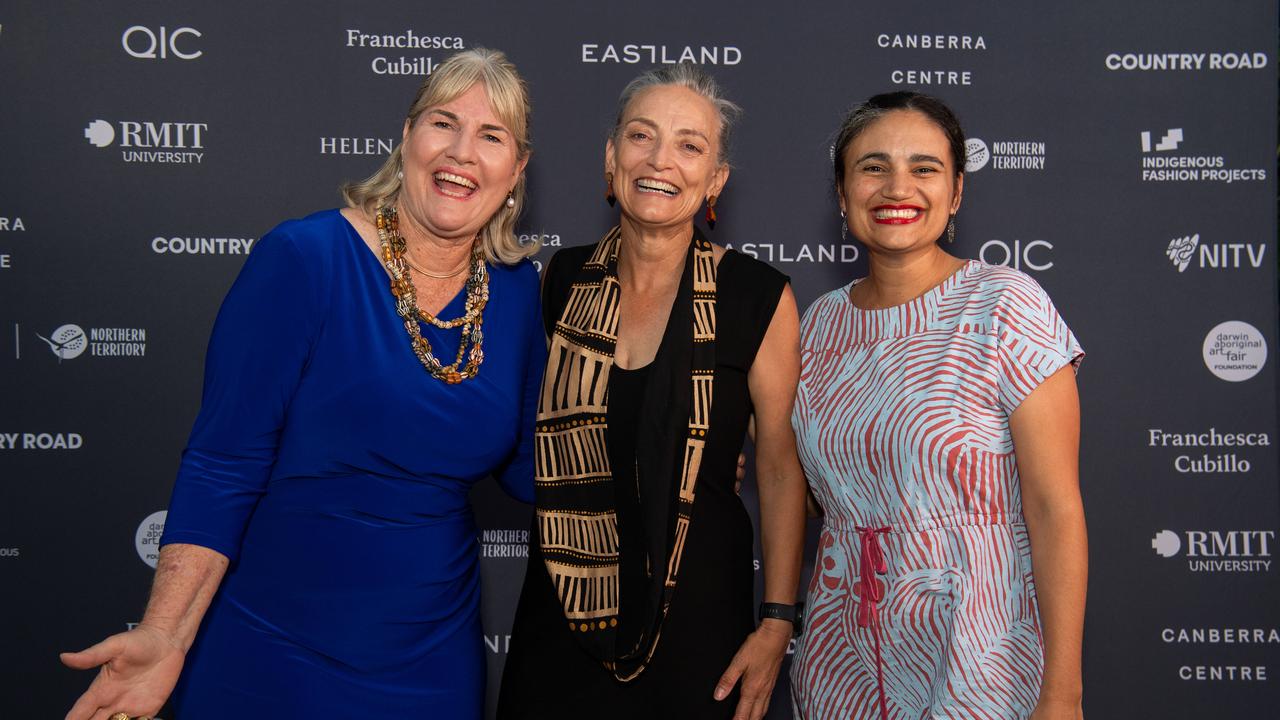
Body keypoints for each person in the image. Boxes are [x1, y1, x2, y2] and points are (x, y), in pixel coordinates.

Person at [60, 48, 543, 720]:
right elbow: (223, 463)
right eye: (443, 123)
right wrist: (165, 633)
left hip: (431, 661)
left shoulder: (518, 294)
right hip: (272, 652)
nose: (462, 152)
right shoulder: (304, 260)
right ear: (407, 138)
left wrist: (671, 451)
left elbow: (532, 470)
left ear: (516, 170)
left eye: (492, 136)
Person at [497, 64, 808, 720]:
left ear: (715, 179)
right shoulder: (561, 279)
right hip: (563, 613)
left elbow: (780, 469)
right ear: (611, 160)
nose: (660, 160)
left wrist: (777, 619)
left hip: (700, 627)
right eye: (642, 137)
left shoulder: (758, 297)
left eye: (690, 145)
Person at [789, 91, 1087, 720]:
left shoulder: (1005, 304)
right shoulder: (816, 325)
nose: (898, 186)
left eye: (925, 168)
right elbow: (820, 488)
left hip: (978, 651)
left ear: (955, 195)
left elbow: (1055, 509)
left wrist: (1061, 693)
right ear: (842, 196)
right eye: (873, 167)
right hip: (841, 654)